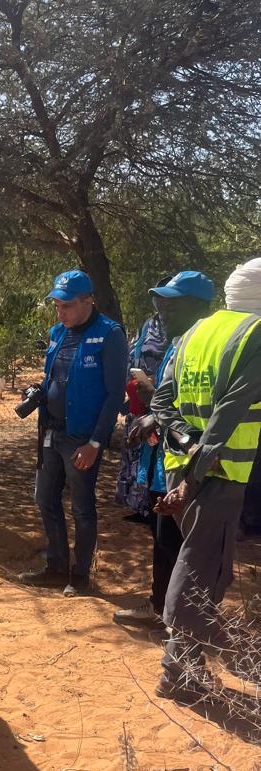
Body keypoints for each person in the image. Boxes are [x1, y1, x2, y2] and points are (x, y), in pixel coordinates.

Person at [152, 258, 261, 702]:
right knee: (200, 567)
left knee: (208, 567)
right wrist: (197, 471)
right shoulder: (254, 335)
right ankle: (175, 672)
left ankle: (187, 664)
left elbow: (162, 398)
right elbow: (228, 414)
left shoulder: (196, 333)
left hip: (181, 465)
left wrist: (183, 442)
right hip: (217, 473)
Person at [113, 272, 215, 628]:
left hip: (199, 462)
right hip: (168, 458)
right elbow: (168, 399)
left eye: (174, 304)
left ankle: (183, 621)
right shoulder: (179, 342)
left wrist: (152, 399)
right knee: (163, 534)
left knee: (183, 541)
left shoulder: (208, 347)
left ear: (200, 307)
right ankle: (162, 608)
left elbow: (199, 405)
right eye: (161, 304)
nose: (164, 312)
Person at [19, 270, 129, 596]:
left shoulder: (110, 335)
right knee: (44, 498)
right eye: (57, 305)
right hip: (51, 433)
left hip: (82, 439)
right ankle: (55, 567)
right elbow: (54, 376)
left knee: (81, 506)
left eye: (67, 305)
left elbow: (114, 395)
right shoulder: (57, 332)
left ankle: (80, 575)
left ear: (88, 301)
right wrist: (37, 390)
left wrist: (96, 442)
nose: (60, 311)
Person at [115, 279, 169, 520]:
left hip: (163, 401)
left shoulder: (182, 328)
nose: (160, 302)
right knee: (135, 451)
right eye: (156, 297)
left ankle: (156, 507)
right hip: (139, 397)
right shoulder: (148, 325)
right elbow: (132, 352)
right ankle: (139, 504)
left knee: (157, 455)